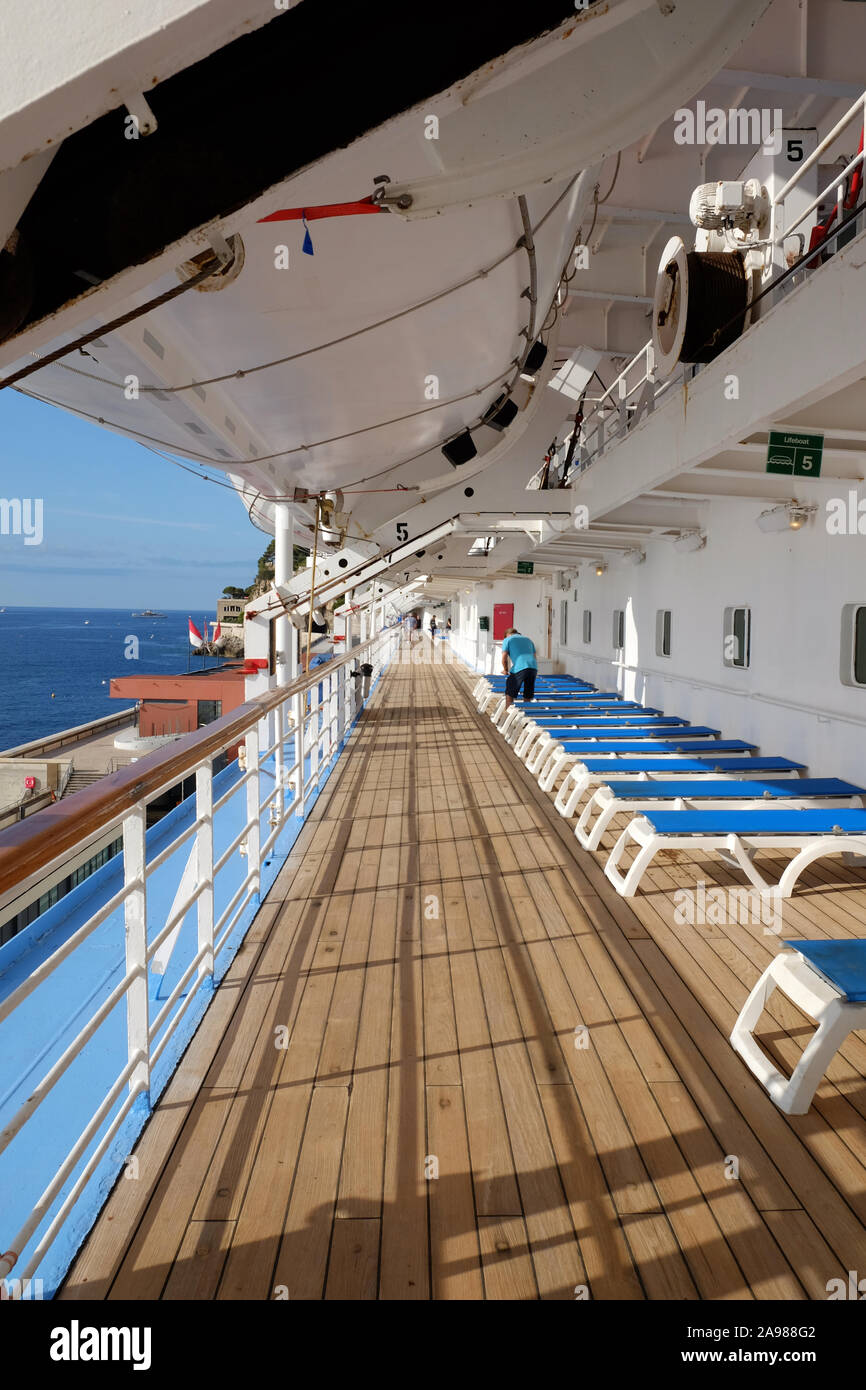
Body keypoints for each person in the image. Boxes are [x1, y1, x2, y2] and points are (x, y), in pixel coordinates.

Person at [501, 626, 538, 708]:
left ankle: (508, 714)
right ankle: (527, 712)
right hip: (533, 668)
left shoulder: (508, 640)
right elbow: (534, 657)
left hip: (520, 667)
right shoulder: (529, 640)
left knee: (510, 693)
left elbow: (504, 658)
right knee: (528, 694)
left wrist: (505, 670)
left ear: (508, 635)